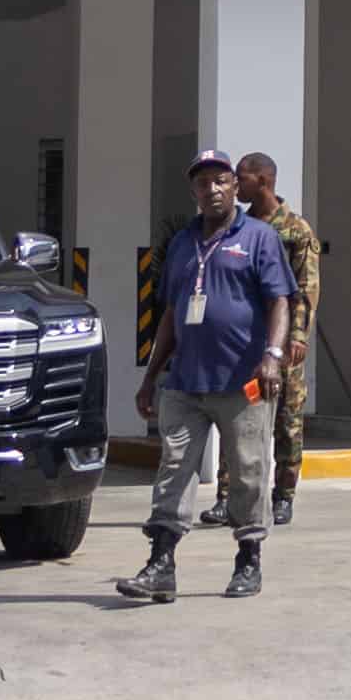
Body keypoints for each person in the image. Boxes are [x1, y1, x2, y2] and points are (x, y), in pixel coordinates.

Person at [116, 151, 291, 602]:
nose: (211, 190)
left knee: (249, 471)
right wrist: (151, 376)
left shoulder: (259, 238)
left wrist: (272, 356)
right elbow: (172, 313)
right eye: (202, 183)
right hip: (185, 382)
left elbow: (279, 301)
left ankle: (248, 559)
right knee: (173, 469)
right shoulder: (182, 244)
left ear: (234, 187)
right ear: (193, 191)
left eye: (220, 181)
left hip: (243, 383)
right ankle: (161, 565)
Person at [238, 148, 322, 525]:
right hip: (246, 344)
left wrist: (298, 336)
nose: (235, 184)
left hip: (284, 345)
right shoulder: (239, 227)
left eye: (241, 177)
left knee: (287, 422)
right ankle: (229, 495)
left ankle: (284, 495)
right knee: (242, 419)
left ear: (263, 180)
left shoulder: (295, 230)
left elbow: (306, 288)